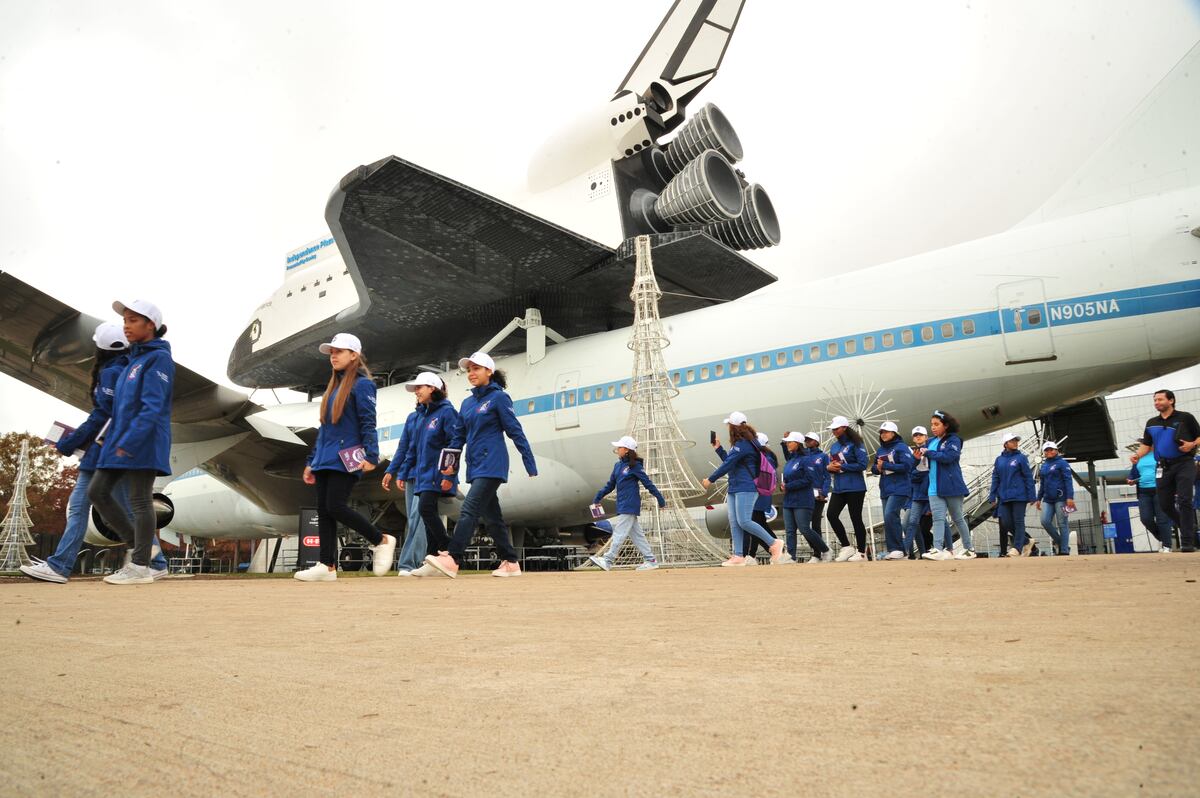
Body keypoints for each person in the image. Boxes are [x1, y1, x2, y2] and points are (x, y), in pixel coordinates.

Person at [21, 323, 168, 583]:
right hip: (120, 448)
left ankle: (59, 565)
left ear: (100, 348)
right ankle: (154, 561)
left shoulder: (111, 372)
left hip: (105, 450)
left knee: (80, 507)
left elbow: (102, 416)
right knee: (131, 509)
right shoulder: (129, 368)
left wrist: (69, 442)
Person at [86, 301, 176, 585]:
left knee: (139, 499)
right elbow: (118, 409)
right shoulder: (132, 361)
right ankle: (141, 549)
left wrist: (131, 440)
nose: (126, 324)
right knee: (98, 492)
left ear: (151, 325)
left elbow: (152, 406)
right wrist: (110, 439)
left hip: (143, 440)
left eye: (134, 320)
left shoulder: (158, 358)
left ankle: (139, 566)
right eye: (125, 319)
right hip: (119, 440)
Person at [426, 352, 537, 579]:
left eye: (476, 369)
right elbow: (457, 438)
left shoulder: (499, 398)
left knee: (469, 509)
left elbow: (515, 430)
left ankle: (453, 557)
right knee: (493, 517)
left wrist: (529, 462)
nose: (471, 373)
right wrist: (450, 466)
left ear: (489, 371)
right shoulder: (467, 403)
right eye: (469, 370)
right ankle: (511, 562)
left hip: (493, 464)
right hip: (475, 466)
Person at [294, 333, 395, 581]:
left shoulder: (363, 385)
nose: (333, 355)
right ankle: (326, 566)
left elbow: (368, 422)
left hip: (347, 455)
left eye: (339, 351)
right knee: (323, 509)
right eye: (331, 352)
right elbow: (325, 429)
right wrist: (311, 461)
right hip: (325, 457)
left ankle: (380, 539)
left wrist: (372, 454)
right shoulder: (332, 389)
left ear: (354, 355)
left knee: (335, 505)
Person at [389, 371, 459, 578]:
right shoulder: (418, 416)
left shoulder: (447, 413)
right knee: (425, 516)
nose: (416, 392)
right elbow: (409, 449)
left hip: (435, 473)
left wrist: (449, 475)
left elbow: (454, 444)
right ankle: (435, 557)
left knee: (423, 512)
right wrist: (400, 472)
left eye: (420, 387)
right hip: (418, 473)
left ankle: (445, 553)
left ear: (433, 389)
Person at [701, 411, 789, 566]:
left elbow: (728, 464)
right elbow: (731, 461)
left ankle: (773, 543)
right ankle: (738, 555)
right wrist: (719, 449)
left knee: (744, 521)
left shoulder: (743, 444)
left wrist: (710, 479)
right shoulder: (744, 444)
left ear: (733, 427)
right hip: (736, 486)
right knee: (735, 522)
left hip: (746, 487)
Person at [1131, 389, 1200, 552]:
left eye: (1160, 400)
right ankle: (1189, 528)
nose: (1157, 403)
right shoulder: (1151, 422)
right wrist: (1137, 455)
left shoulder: (1185, 418)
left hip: (1184, 463)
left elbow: (1198, 436)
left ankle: (1187, 542)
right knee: (1165, 504)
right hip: (1163, 466)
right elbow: (1146, 445)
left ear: (1171, 400)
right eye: (1155, 400)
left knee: (1184, 500)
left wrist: (1192, 445)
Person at [588, 435, 666, 571]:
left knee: (619, 532)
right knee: (637, 535)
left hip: (630, 505)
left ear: (627, 450)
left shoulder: (635, 466)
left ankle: (608, 560)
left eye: (620, 447)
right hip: (622, 504)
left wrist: (660, 499)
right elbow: (610, 485)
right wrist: (598, 497)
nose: (617, 449)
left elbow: (648, 483)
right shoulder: (618, 466)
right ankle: (651, 560)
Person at [918, 410, 975, 561]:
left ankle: (969, 549)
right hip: (934, 486)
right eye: (932, 424)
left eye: (937, 424)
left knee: (957, 518)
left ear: (946, 425)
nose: (933, 427)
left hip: (951, 485)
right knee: (938, 518)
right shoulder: (930, 442)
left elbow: (950, 457)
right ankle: (937, 549)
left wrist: (929, 453)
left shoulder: (954, 440)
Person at [780, 431, 828, 562]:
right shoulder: (791, 460)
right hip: (789, 499)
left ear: (797, 443)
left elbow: (808, 479)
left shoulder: (806, 459)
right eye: (787, 442)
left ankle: (825, 550)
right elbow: (787, 478)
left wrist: (789, 486)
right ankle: (791, 556)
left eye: (790, 442)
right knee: (790, 530)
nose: (788, 444)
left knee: (804, 528)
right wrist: (783, 485)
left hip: (803, 499)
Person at [825, 416, 868, 561]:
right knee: (831, 514)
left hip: (855, 487)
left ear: (844, 427)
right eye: (833, 429)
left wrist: (843, 466)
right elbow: (832, 464)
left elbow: (863, 464)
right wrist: (830, 468)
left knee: (856, 518)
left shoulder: (856, 443)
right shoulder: (834, 446)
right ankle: (847, 546)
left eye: (836, 429)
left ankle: (862, 552)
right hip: (839, 487)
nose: (834, 431)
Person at [988, 430, 1035, 558]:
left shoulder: (1021, 458)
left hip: (1019, 495)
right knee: (1006, 523)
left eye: (1016, 441)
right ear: (1005, 444)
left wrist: (1032, 495)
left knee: (1019, 521)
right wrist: (992, 495)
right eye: (1012, 441)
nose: (1015, 443)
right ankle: (1026, 541)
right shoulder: (999, 460)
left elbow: (1028, 477)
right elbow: (995, 477)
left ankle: (1017, 548)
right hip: (1004, 496)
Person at [871, 421, 914, 560]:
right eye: (882, 432)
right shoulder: (880, 450)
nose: (883, 434)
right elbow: (874, 468)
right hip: (885, 487)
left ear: (894, 433)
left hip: (900, 487)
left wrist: (886, 465)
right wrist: (877, 468)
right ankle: (895, 549)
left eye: (886, 432)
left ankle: (898, 549)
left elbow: (907, 466)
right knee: (888, 518)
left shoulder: (902, 447)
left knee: (891, 514)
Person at [1125, 438, 1174, 552]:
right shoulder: (1138, 458)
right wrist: (1131, 479)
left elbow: (1169, 471)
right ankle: (1163, 538)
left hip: (1160, 490)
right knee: (1145, 518)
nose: (1141, 446)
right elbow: (1134, 474)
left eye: (1143, 444)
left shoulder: (1161, 456)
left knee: (1162, 519)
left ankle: (1167, 545)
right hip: (1143, 492)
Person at [744, 432, 781, 562]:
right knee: (758, 524)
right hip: (759, 495)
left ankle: (776, 549)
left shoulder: (766, 458)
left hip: (759, 496)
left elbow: (763, 479)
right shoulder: (765, 456)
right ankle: (752, 555)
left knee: (757, 525)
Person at [1036, 440, 1075, 556]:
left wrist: (1070, 497)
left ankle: (1064, 550)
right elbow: (1042, 483)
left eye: (1051, 449)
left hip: (1062, 498)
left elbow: (1068, 480)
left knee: (1062, 523)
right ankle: (1061, 543)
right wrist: (1039, 498)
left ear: (1056, 450)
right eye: (1046, 450)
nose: (1049, 452)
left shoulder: (1063, 463)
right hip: (1048, 499)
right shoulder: (1044, 466)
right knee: (1045, 521)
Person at [901, 426, 932, 559]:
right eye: (915, 435)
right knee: (910, 524)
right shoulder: (912, 453)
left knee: (934, 524)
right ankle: (916, 552)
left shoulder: (931, 451)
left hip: (929, 494)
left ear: (926, 436)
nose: (918, 437)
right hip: (914, 495)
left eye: (920, 435)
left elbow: (930, 473)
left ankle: (944, 548)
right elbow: (910, 473)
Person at [801, 432, 831, 551]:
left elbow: (827, 476)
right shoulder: (803, 456)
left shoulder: (823, 456)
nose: (807, 441)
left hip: (818, 495)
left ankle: (819, 552)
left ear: (816, 442)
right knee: (804, 526)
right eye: (806, 440)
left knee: (815, 524)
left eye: (810, 439)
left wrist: (824, 493)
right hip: (805, 494)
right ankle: (817, 550)